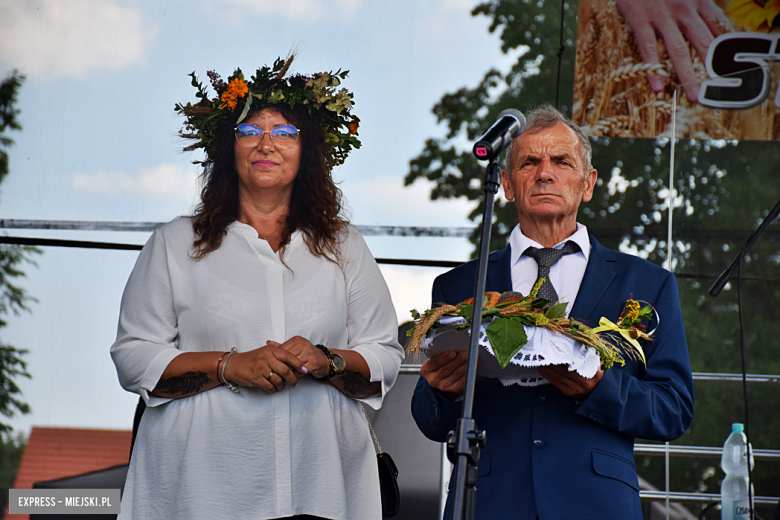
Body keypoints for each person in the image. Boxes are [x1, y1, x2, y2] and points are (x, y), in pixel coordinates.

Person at [111, 56, 403, 520]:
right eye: (250, 131)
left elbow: (386, 353)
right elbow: (133, 356)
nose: (267, 143)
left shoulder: (345, 245)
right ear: (228, 149)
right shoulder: (175, 242)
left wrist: (326, 361)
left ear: (308, 152)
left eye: (285, 133)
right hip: (202, 488)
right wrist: (231, 366)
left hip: (319, 483)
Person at [411, 105, 694, 520]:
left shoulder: (647, 284)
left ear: (588, 184)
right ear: (506, 184)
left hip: (596, 504)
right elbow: (431, 421)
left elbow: (673, 409)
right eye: (530, 162)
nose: (546, 173)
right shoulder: (458, 287)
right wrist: (441, 390)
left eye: (562, 162)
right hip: (489, 500)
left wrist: (597, 388)